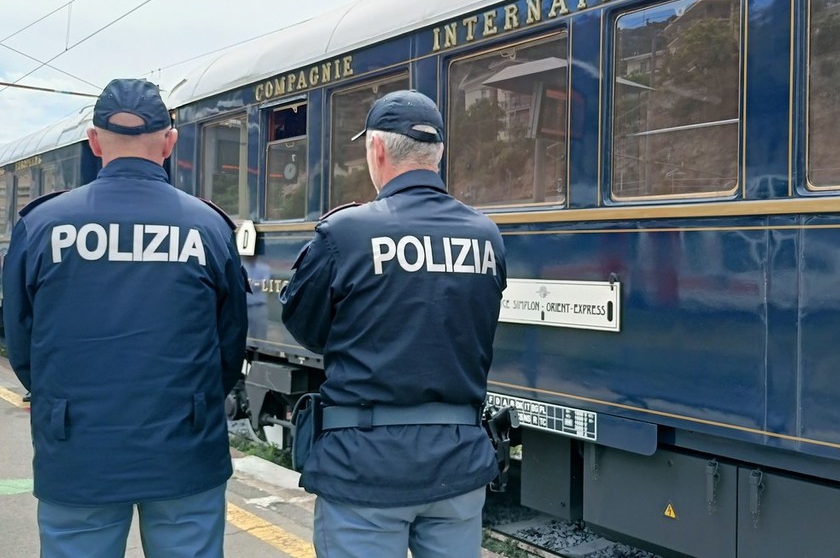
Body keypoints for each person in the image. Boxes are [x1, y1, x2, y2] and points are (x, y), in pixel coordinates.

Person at [2, 78, 249, 558]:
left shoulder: (41, 225)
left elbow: (22, 339)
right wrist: (199, 402)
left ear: (94, 142)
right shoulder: (208, 227)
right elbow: (230, 339)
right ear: (170, 142)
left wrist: (58, 402)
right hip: (184, 444)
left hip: (77, 448)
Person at [280, 90, 507, 557]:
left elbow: (307, 329)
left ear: (377, 149)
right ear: (437, 153)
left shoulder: (344, 233)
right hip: (458, 464)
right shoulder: (486, 235)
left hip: (365, 468)